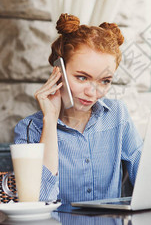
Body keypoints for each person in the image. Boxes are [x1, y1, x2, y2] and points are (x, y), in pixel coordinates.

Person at [14, 13, 143, 204]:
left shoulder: (117, 115)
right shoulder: (30, 128)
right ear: (59, 71)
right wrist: (50, 120)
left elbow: (146, 177)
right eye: (82, 77)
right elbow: (37, 200)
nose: (92, 92)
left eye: (104, 81)